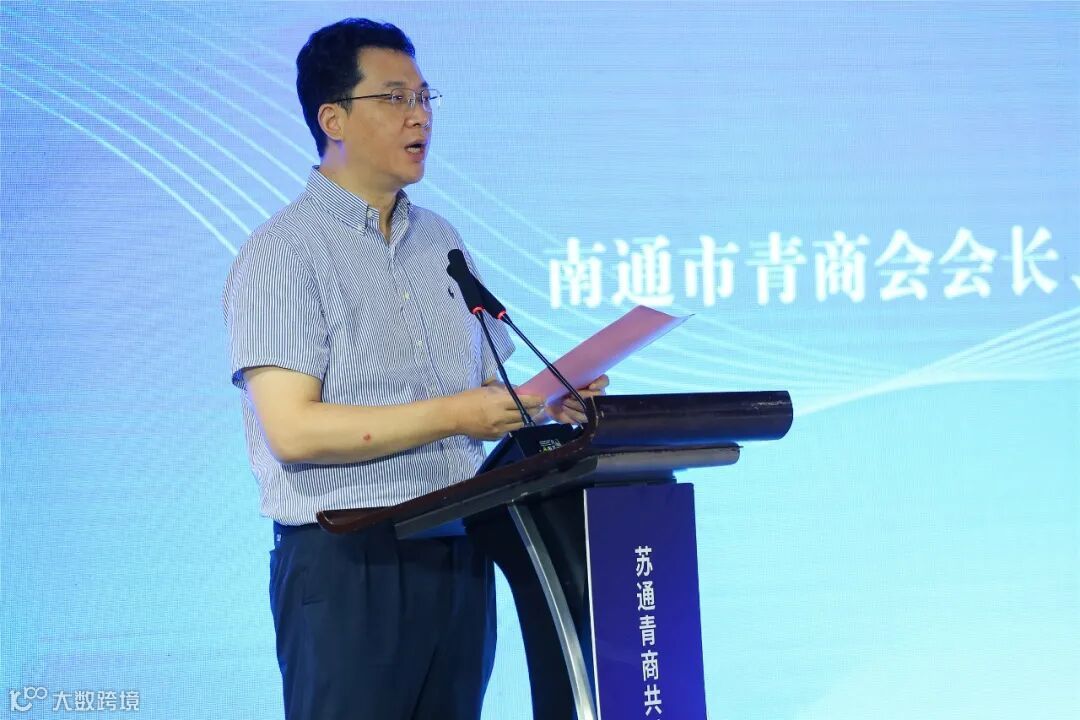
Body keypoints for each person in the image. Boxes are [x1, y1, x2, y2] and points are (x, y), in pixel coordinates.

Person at [222, 18, 608, 720]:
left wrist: (545, 401)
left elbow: (481, 389)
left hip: (461, 546)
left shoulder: (440, 240)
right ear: (333, 119)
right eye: (395, 97)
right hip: (349, 563)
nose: (420, 116)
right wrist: (459, 415)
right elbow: (293, 431)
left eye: (425, 97)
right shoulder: (282, 253)